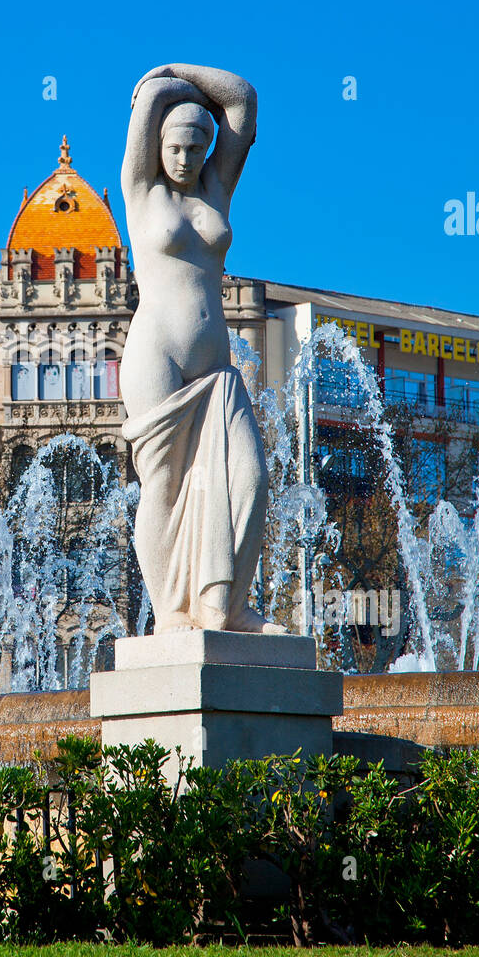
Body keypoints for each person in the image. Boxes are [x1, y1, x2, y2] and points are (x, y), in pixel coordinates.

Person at [119, 62, 275, 633]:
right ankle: (170, 613)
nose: (184, 159)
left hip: (217, 370)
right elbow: (149, 100)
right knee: (162, 483)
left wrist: (175, 70)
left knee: (250, 477)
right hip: (155, 354)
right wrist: (161, 87)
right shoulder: (141, 191)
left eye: (196, 147)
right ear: (158, 144)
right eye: (175, 147)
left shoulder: (216, 188)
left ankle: (224, 607)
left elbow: (242, 102)